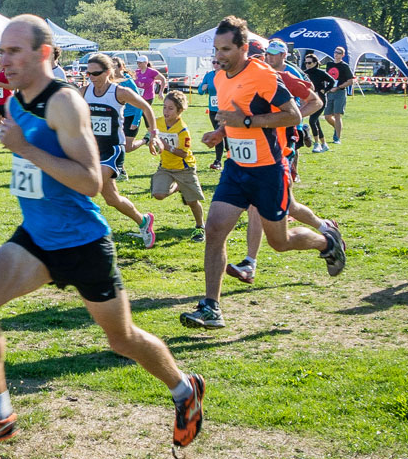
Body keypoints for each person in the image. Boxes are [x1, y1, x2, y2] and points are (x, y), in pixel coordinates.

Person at [0, 14, 204, 452]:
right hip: (36, 237)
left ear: (44, 53)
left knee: (121, 338)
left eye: (14, 51)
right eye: (1, 51)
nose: (3, 60)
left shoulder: (65, 102)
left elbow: (90, 180)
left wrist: (25, 149)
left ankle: (185, 389)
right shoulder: (15, 103)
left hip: (83, 241)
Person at [181, 17, 346, 330]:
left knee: (279, 242)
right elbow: (232, 115)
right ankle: (211, 306)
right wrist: (220, 133)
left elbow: (293, 115)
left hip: (269, 170)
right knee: (215, 230)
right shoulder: (219, 77)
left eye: (226, 49)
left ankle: (326, 242)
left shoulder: (263, 76)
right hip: (237, 167)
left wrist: (246, 123)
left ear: (244, 48)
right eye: (217, 49)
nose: (220, 55)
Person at [79, 53, 162, 247]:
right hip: (91, 151)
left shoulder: (119, 92)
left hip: (112, 150)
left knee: (90, 186)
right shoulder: (83, 91)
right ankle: (143, 221)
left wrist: (154, 134)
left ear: (108, 72)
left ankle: (87, 234)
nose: (91, 77)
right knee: (112, 199)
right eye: (88, 73)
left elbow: (146, 108)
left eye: (95, 73)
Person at [149, 90, 205, 238]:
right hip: (166, 166)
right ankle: (178, 187)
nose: (166, 111)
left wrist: (167, 147)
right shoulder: (158, 122)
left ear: (179, 111)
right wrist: (150, 141)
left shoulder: (183, 129)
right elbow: (151, 133)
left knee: (192, 201)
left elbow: (184, 153)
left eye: (170, 108)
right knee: (158, 194)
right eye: (164, 107)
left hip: (184, 168)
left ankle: (200, 226)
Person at [323, 46, 354, 144]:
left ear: (342, 55)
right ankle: (337, 128)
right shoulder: (329, 64)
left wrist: (339, 87)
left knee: (337, 115)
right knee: (327, 116)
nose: (336, 54)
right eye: (335, 52)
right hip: (329, 92)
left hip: (340, 92)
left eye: (339, 53)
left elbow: (351, 81)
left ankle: (337, 137)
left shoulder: (344, 66)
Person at [304, 54, 334, 150]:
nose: (307, 65)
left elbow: (332, 81)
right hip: (310, 99)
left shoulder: (320, 73)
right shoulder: (305, 73)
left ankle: (316, 144)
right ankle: (324, 144)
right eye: (306, 62)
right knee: (316, 122)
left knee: (312, 120)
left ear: (315, 63)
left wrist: (325, 90)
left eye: (309, 62)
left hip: (320, 99)